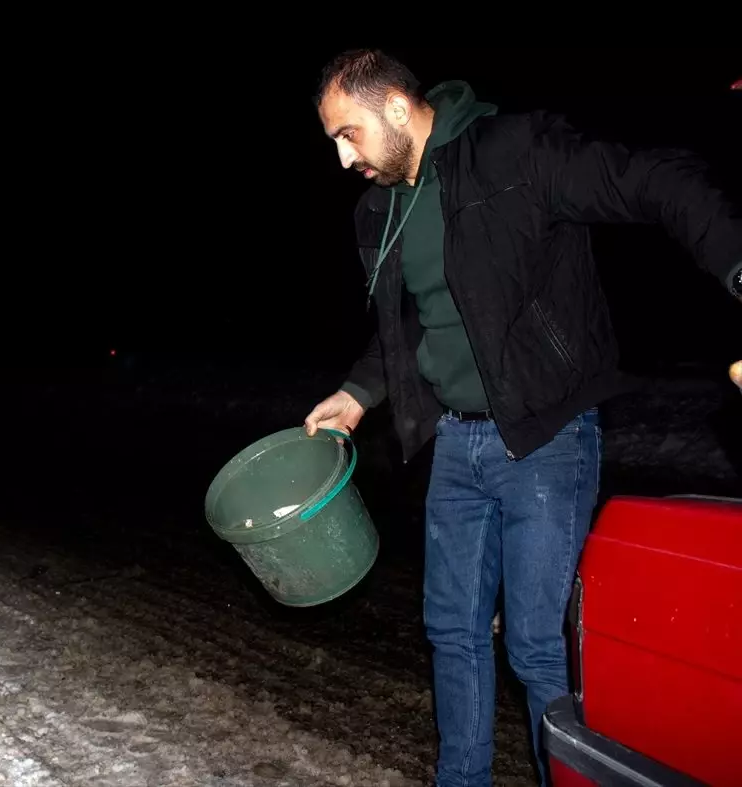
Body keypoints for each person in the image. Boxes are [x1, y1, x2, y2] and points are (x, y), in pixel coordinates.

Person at [302, 48, 742, 786]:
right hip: (454, 442)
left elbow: (656, 180)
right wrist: (356, 393)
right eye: (335, 143)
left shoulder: (514, 151)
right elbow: (408, 326)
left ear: (399, 109)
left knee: (536, 647)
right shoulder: (380, 210)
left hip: (544, 437)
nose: (344, 158)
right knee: (453, 633)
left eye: (349, 134)